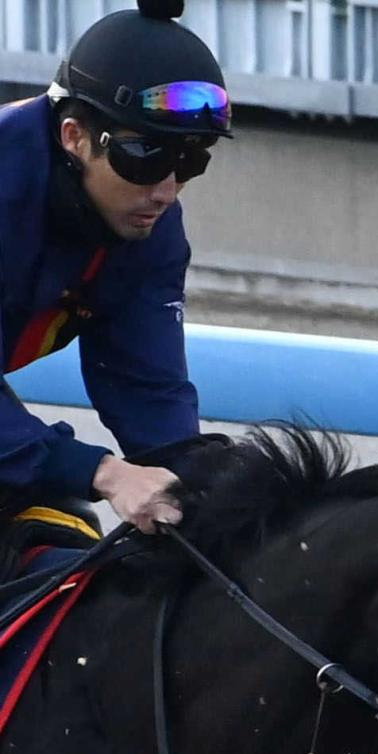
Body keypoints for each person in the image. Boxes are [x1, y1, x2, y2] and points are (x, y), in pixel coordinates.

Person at [0, 0, 229, 557]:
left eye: (190, 161)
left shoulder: (151, 229)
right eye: (144, 156)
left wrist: (205, 485)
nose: (166, 191)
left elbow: (145, 385)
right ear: (75, 136)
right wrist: (103, 472)